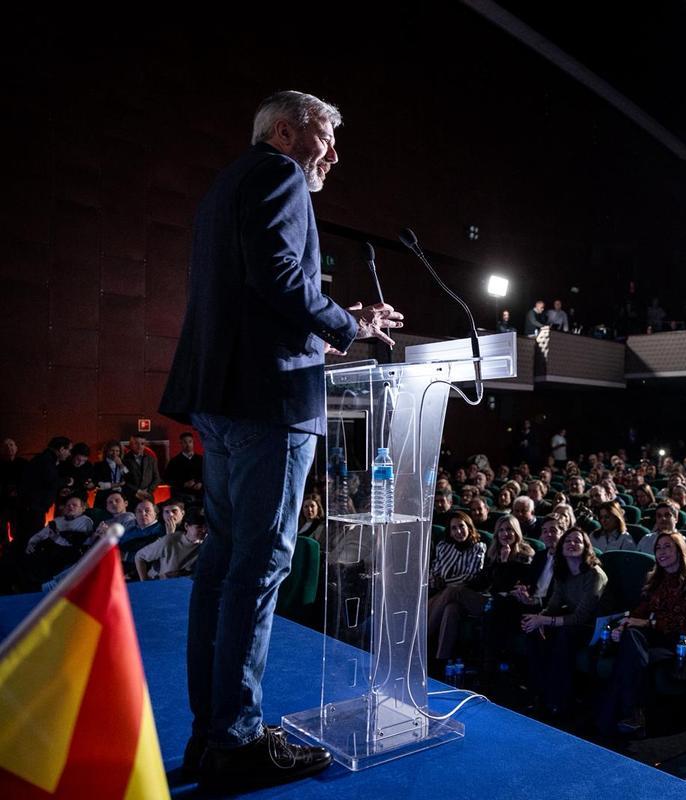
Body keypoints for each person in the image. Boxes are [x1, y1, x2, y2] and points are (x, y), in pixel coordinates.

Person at [157, 90, 403, 789]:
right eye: (325, 136)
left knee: (225, 562)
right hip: (269, 405)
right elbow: (279, 278)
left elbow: (257, 293)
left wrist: (322, 328)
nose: (333, 153)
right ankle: (235, 743)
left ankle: (212, 734)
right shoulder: (280, 175)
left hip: (228, 394)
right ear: (288, 130)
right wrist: (348, 326)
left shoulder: (227, 185)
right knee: (258, 567)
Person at [600, 531, 686, 736]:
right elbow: (640, 610)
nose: (661, 551)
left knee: (630, 643)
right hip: (647, 638)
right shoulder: (655, 578)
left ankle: (617, 711)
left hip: (674, 641)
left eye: (667, 547)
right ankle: (633, 712)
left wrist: (645, 622)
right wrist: (623, 625)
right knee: (629, 637)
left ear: (680, 550)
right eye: (658, 548)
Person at [520, 528, 607, 715]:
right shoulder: (562, 572)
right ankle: (537, 694)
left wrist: (544, 619)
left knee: (563, 635)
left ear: (586, 548)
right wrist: (538, 619)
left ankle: (559, 700)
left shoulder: (594, 575)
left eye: (578, 541)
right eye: (568, 541)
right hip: (570, 623)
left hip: (594, 628)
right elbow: (553, 605)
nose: (572, 544)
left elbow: (581, 617)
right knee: (534, 632)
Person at [429, 513, 534, 664]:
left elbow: (503, 587)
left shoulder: (525, 555)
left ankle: (418, 639)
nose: (505, 534)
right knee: (451, 608)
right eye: (501, 531)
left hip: (503, 605)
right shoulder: (494, 553)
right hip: (486, 598)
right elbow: (481, 582)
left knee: (453, 590)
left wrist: (504, 562)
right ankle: (441, 660)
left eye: (509, 530)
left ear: (516, 532)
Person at [136, 507, 208, 580]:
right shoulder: (170, 541)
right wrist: (144, 583)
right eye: (199, 527)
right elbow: (139, 556)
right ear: (186, 526)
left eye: (206, 527)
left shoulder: (207, 544)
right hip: (158, 583)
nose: (204, 530)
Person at [430, 512, 487, 595]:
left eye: (461, 526)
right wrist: (433, 579)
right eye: (454, 528)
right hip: (438, 590)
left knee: (451, 603)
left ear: (469, 528)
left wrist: (444, 582)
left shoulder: (478, 548)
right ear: (450, 533)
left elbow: (470, 576)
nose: (458, 531)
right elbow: (435, 569)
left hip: (462, 592)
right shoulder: (443, 546)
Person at [165, 431, 204, 501]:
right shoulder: (174, 461)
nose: (188, 444)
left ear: (193, 443)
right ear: (181, 443)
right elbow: (167, 480)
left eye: (190, 442)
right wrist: (184, 484)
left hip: (200, 495)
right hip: (181, 496)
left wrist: (201, 482)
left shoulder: (201, 459)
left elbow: (208, 475)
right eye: (185, 442)